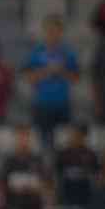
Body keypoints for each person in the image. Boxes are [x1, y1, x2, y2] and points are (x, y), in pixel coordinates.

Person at [23, 15, 79, 144]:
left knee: (65, 142)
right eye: (49, 30)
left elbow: (76, 78)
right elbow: (28, 78)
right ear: (44, 31)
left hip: (63, 104)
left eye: (55, 31)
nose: (52, 34)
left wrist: (61, 71)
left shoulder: (68, 52)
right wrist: (47, 70)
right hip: (42, 105)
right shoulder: (36, 52)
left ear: (61, 32)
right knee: (42, 143)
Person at [3, 125, 48, 209]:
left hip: (34, 208)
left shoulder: (38, 160)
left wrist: (37, 188)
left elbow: (46, 184)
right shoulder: (9, 162)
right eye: (20, 137)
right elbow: (3, 185)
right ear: (15, 140)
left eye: (26, 137)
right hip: (15, 208)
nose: (23, 141)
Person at [55, 124, 99, 207]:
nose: (75, 138)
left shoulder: (90, 154)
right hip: (68, 186)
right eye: (73, 135)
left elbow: (96, 172)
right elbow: (58, 171)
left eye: (78, 136)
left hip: (84, 187)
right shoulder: (63, 154)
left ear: (83, 137)